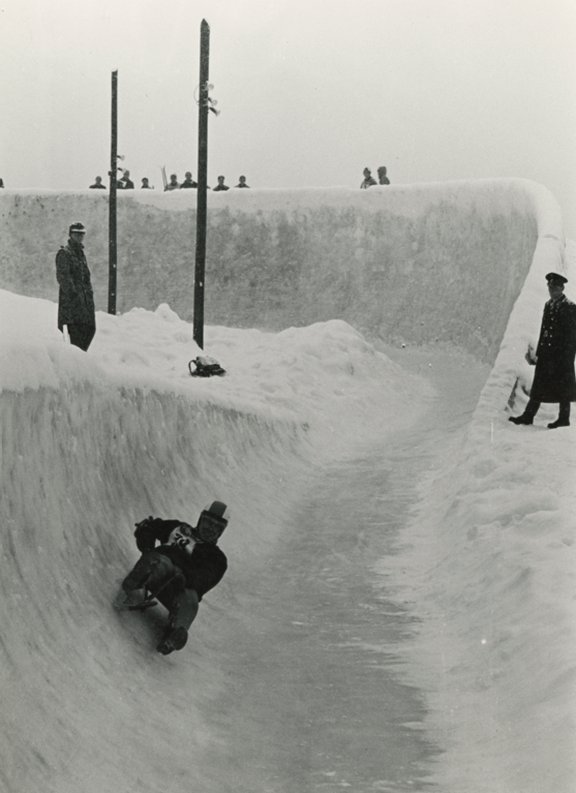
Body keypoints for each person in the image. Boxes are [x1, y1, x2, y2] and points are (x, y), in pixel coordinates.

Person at [121, 502, 229, 654]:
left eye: (216, 527)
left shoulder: (216, 558)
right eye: (208, 523)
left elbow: (206, 578)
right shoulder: (180, 528)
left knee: (190, 600)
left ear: (221, 532)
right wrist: (145, 538)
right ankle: (132, 586)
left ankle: (174, 635)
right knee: (159, 562)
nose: (210, 529)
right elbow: (153, 526)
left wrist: (185, 577)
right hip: (160, 568)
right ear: (200, 520)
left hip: (178, 588)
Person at [509, 272, 576, 429]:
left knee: (563, 389)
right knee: (539, 385)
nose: (552, 291)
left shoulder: (570, 308)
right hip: (546, 355)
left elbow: (572, 336)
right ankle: (528, 416)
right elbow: (544, 330)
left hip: (561, 357)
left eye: (555, 288)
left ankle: (564, 419)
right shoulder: (548, 305)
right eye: (550, 288)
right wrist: (540, 352)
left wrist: (567, 357)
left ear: (561, 288)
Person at [55, 222, 96, 351]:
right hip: (73, 309)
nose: (79, 237)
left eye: (81, 234)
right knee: (76, 341)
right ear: (70, 235)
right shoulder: (64, 253)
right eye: (76, 234)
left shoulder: (81, 255)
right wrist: (74, 296)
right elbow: (64, 278)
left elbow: (86, 279)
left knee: (89, 331)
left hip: (86, 307)